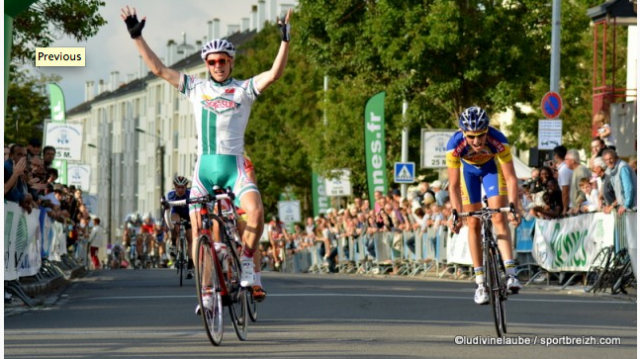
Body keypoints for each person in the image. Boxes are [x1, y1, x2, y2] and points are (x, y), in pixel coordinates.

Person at [122, 5, 292, 312]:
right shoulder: (195, 87)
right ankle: (207, 292)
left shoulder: (244, 89)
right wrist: (137, 37)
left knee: (255, 213)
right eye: (212, 61)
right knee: (200, 234)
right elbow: (159, 70)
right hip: (204, 171)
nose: (217, 65)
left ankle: (249, 268)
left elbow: (275, 74)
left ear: (230, 62)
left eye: (222, 61)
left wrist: (284, 41)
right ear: (207, 64)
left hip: (235, 168)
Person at [445, 106, 522, 305]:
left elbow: (511, 178)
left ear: (487, 131)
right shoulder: (454, 145)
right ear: (463, 133)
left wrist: (514, 206)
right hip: (468, 175)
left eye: (481, 135)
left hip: (490, 171)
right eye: (471, 137)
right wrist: (455, 213)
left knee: (499, 217)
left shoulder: (498, 140)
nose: (477, 141)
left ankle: (511, 273)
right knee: (473, 223)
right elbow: (453, 186)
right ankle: (480, 282)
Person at [166, 175, 194, 277]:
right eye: (178, 187)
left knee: (190, 238)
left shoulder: (191, 194)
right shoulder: (170, 195)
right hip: (176, 213)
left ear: (186, 187)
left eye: (183, 187)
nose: (180, 189)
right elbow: (167, 212)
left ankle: (190, 266)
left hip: (188, 215)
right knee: (175, 225)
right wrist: (170, 225)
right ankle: (173, 243)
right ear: (175, 186)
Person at [602, 149, 637, 215]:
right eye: (606, 160)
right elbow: (619, 193)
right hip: (627, 208)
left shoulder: (622, 167)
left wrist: (625, 205)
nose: (609, 161)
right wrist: (611, 206)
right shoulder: (610, 170)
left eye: (610, 158)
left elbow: (628, 189)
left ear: (615, 158)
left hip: (634, 207)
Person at [564, 149, 592, 213]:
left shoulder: (580, 171)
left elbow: (584, 190)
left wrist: (578, 206)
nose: (565, 161)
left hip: (583, 208)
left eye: (566, 159)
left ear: (572, 161)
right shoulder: (576, 170)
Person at [552, 145, 572, 215]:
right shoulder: (565, 168)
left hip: (570, 205)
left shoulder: (564, 170)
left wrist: (565, 208)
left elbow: (565, 191)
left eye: (554, 155)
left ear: (556, 156)